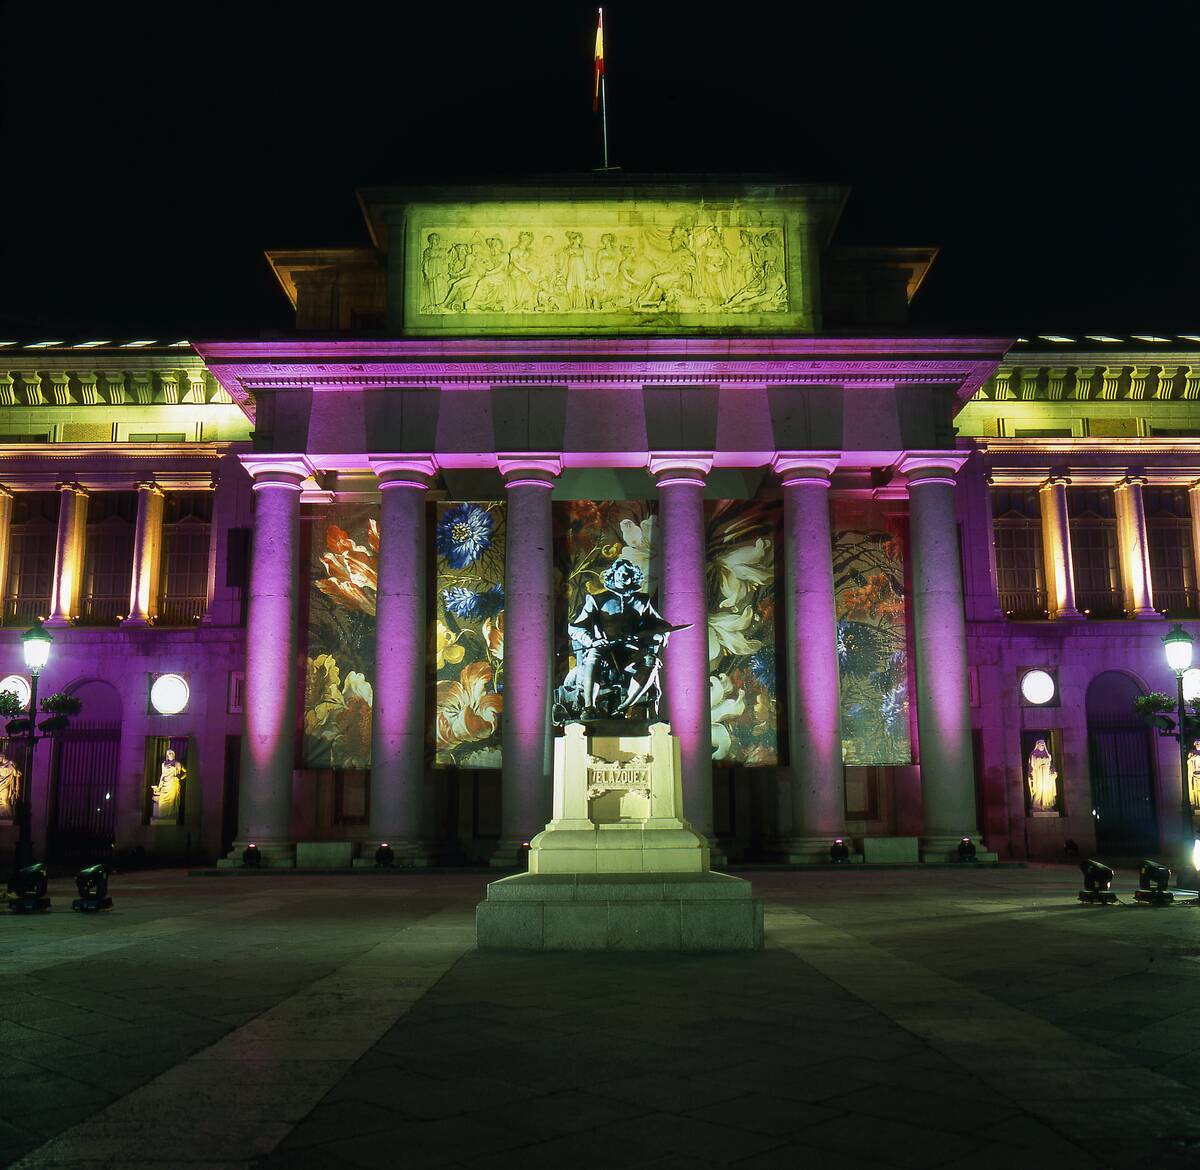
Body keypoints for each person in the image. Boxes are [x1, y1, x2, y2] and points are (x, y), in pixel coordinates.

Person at [565, 559, 677, 721]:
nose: (623, 576)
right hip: (604, 650)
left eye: (627, 574)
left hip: (631, 653)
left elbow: (662, 625)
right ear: (613, 576)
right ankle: (589, 707)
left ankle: (624, 706)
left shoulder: (642, 601)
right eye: (620, 573)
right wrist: (591, 641)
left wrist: (661, 635)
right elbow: (575, 627)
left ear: (634, 577)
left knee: (651, 660)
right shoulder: (597, 600)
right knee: (594, 653)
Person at [151, 748, 186, 823]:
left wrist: (178, 778)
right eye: (169, 753)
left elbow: (186, 772)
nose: (170, 754)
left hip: (173, 783)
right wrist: (159, 786)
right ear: (167, 754)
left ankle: (171, 816)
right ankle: (163, 817)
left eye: (171, 753)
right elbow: (162, 775)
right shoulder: (163, 764)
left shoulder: (177, 763)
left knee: (172, 801)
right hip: (165, 784)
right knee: (161, 801)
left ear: (174, 754)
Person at [1027, 738, 1058, 813]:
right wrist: (1031, 775)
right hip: (1038, 774)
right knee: (1039, 790)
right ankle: (1037, 805)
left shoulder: (1047, 754)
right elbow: (1031, 766)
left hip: (1046, 774)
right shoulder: (1033, 754)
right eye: (1041, 744)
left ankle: (1047, 806)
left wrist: (1053, 771)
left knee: (1047, 790)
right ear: (1037, 745)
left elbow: (1051, 765)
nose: (1042, 746)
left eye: (1043, 745)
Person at [0, 754, 19, 821]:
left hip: (6, 785)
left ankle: (10, 816)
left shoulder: (10, 763)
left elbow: (15, 773)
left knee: (5, 801)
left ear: (2, 757)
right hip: (0, 785)